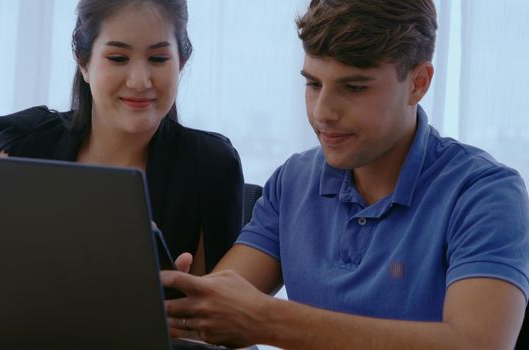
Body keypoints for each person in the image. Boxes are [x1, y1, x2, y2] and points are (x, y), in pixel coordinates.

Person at [161, 0, 529, 348]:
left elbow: (478, 344)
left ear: (418, 83)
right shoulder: (292, 181)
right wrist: (186, 307)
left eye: (353, 87)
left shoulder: (484, 193)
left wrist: (268, 320)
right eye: (313, 83)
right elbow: (222, 313)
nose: (323, 113)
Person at [0, 0, 243, 306]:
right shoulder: (26, 143)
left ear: (181, 62)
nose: (140, 80)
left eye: (158, 58)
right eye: (118, 58)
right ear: (83, 63)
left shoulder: (210, 166)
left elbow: (217, 325)